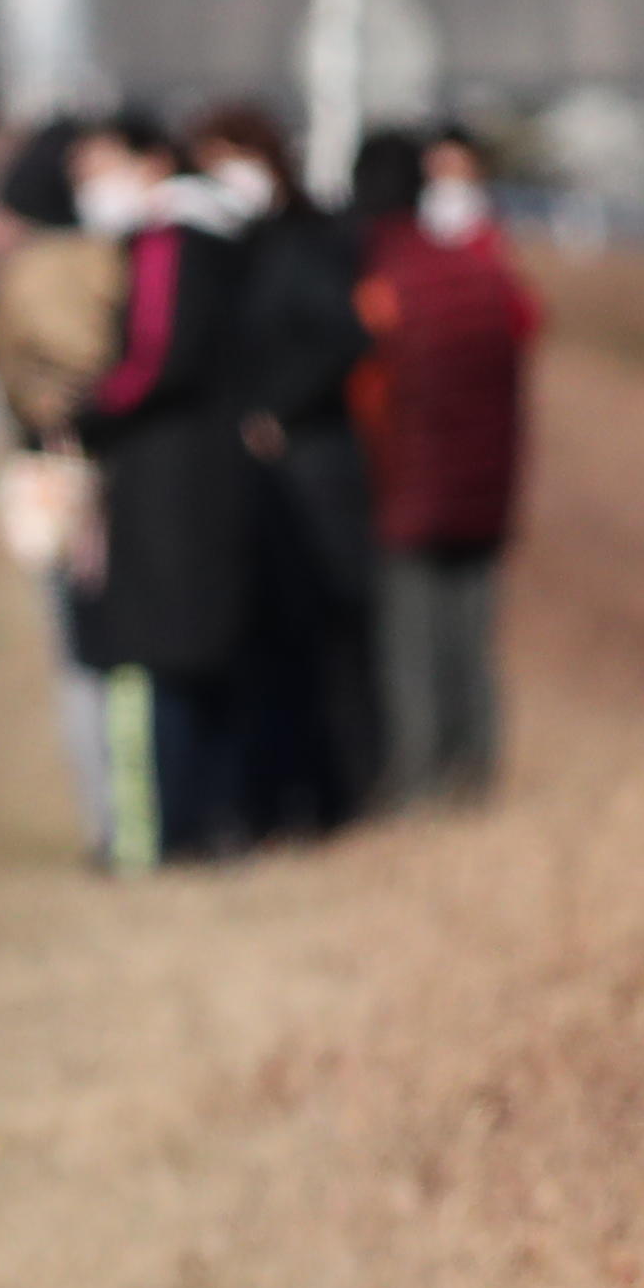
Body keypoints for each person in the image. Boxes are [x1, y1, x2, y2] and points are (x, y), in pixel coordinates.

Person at [70, 114, 259, 867]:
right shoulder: (231, 238)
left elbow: (153, 356)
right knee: (214, 651)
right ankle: (216, 815)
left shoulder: (166, 243)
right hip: (223, 465)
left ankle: (167, 829)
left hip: (165, 472)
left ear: (150, 163)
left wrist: (91, 412)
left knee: (157, 657)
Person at [193, 99, 379, 847]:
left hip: (312, 467)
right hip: (259, 475)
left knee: (325, 645)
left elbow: (341, 337)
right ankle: (273, 801)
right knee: (264, 647)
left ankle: (339, 799)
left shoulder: (304, 242)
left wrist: (278, 411)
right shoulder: (228, 245)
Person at [356, 125, 542, 807]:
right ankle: (474, 787)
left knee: (415, 655)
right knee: (471, 654)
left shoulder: (384, 276)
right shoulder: (489, 271)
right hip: (484, 490)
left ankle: (422, 791)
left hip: (409, 490)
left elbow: (374, 389)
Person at [0, 121, 127, 864]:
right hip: (134, 465)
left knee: (85, 655)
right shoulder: (118, 258)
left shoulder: (28, 276)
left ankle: (109, 821)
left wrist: (44, 416)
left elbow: (15, 376)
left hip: (64, 469)